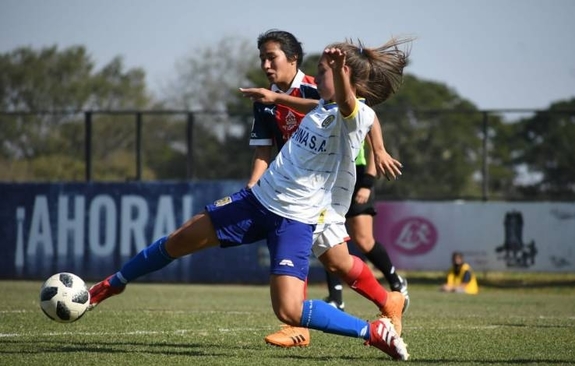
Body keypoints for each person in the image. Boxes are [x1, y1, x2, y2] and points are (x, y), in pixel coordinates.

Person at [87, 36, 411, 360]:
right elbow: (316, 106)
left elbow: (351, 107)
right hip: (258, 200)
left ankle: (372, 330)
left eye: (323, 71)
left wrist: (342, 75)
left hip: (295, 218)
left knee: (289, 309)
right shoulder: (324, 104)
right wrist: (274, 97)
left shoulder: (353, 114)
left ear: (344, 79)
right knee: (178, 240)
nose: (317, 76)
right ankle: (112, 284)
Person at [240, 30, 408, 348]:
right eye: (261, 57)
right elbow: (298, 119)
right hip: (298, 188)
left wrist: (380, 150)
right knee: (338, 261)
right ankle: (389, 301)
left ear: (292, 58)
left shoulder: (324, 88)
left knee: (299, 243)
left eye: (271, 56)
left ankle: (295, 324)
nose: (265, 64)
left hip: (321, 191)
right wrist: (253, 182)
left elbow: (360, 110)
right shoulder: (285, 96)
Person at [323, 141, 410, 312]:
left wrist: (367, 183)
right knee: (327, 236)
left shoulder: (357, 113)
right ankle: (336, 298)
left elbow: (374, 147)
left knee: (364, 240)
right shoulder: (321, 114)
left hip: (358, 174)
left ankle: (396, 281)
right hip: (330, 174)